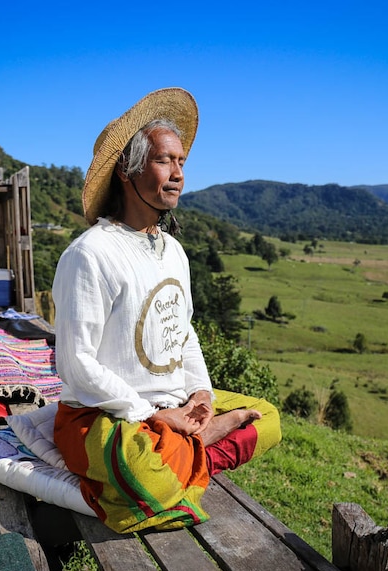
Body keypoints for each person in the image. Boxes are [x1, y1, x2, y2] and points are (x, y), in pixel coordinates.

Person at [52, 87, 281, 533]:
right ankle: (188, 453)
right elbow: (75, 364)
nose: (177, 173)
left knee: (268, 418)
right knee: (143, 468)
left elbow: (184, 333)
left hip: (172, 405)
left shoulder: (173, 251)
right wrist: (154, 416)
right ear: (127, 169)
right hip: (106, 416)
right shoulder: (91, 254)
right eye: (164, 160)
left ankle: (182, 452)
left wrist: (201, 396)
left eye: (181, 162)